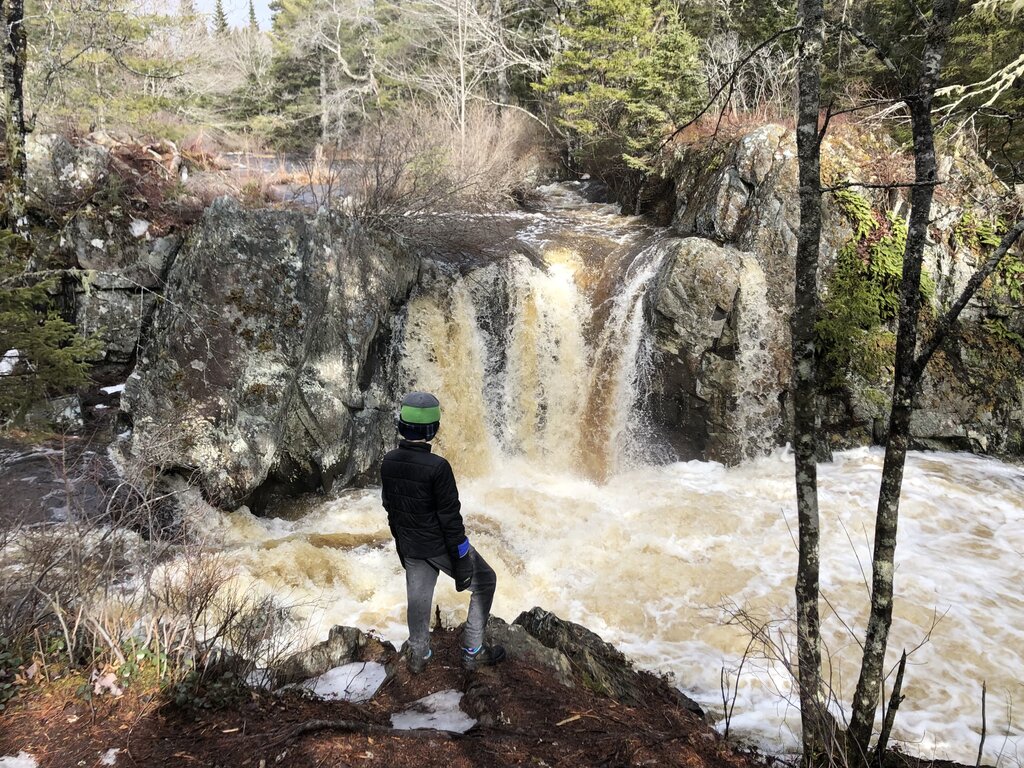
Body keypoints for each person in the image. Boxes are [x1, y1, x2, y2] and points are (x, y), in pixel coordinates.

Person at [380, 391, 506, 674]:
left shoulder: (388, 462)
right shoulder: (438, 468)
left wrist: (401, 546)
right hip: (438, 546)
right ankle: (473, 651)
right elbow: (450, 519)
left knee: (418, 600)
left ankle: (419, 654)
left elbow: (391, 508)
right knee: (485, 581)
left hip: (411, 545)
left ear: (402, 425)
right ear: (433, 429)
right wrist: (462, 555)